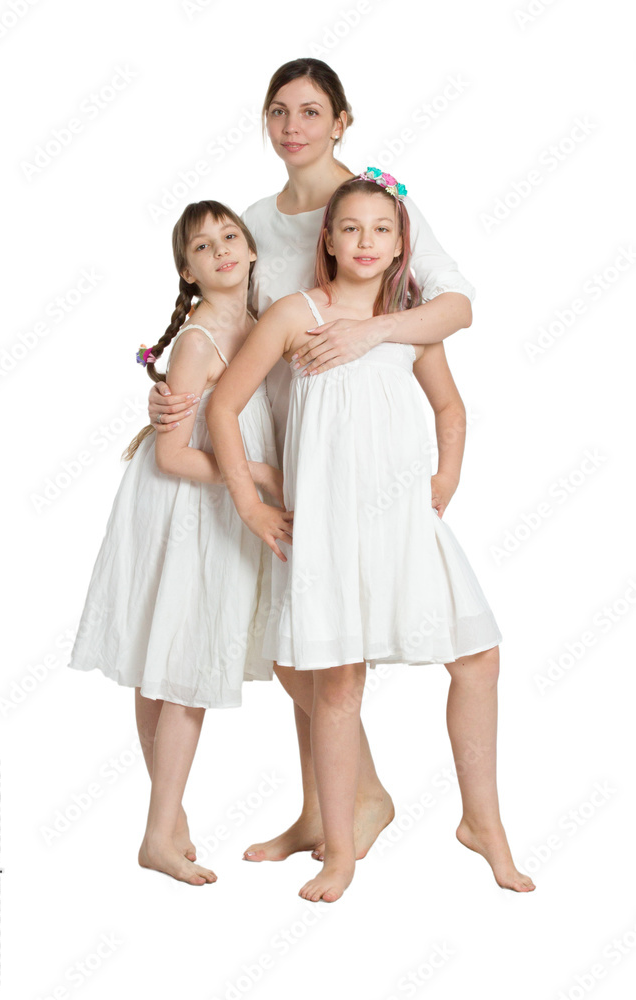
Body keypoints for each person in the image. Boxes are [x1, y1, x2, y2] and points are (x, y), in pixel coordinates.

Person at [146, 58, 527, 892]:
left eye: (312, 111)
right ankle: (333, 810)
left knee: (332, 657)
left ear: (342, 120)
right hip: (291, 454)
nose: (293, 126)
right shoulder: (254, 220)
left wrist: (373, 336)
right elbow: (225, 319)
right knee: (300, 657)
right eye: (278, 111)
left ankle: (367, 808)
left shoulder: (379, 204)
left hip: (369, 466)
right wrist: (173, 391)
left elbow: (454, 306)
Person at [68, 201, 287, 885]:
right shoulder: (199, 341)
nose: (220, 250)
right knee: (183, 661)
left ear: (252, 251)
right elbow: (172, 457)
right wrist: (258, 473)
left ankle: (168, 816)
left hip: (214, 503)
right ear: (186, 271)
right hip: (184, 506)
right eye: (202, 245)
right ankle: (159, 831)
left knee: (164, 659)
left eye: (230, 237)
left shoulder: (257, 324)